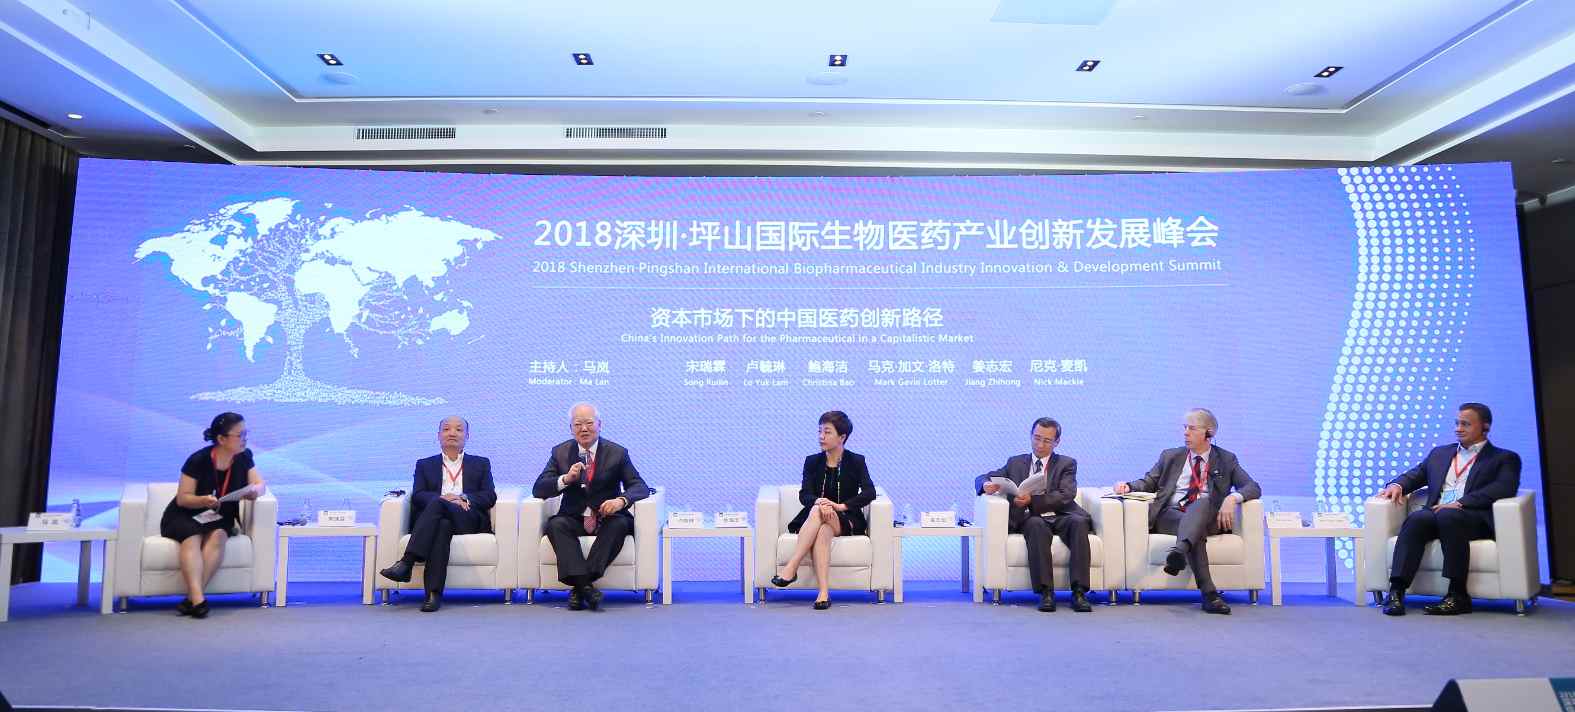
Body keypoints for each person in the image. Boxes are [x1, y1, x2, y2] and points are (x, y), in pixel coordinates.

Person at [1377, 402, 1522, 616]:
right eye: (1457, 423)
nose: (1458, 429)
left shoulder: (1504, 458)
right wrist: (1397, 485)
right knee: (1417, 519)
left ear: (1485, 427)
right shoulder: (1440, 453)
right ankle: (1396, 592)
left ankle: (1457, 595)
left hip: (1472, 518)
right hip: (1436, 514)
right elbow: (1416, 474)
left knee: (1449, 516)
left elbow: (1503, 488)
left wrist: (1462, 502)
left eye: (1466, 424)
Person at [1113, 408, 1261, 614]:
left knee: (1202, 504)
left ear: (1208, 433)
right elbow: (1148, 482)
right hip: (1170, 515)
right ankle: (1209, 595)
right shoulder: (1170, 456)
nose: (1185, 433)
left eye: (1192, 428)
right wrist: (1127, 486)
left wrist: (1232, 498)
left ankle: (1180, 551)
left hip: (1208, 518)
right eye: (1184, 428)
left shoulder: (1226, 459)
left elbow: (1253, 487)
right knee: (1194, 531)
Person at [533, 403, 650, 611]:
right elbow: (538, 489)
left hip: (607, 517)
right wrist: (565, 479)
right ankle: (586, 588)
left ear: (599, 425)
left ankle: (580, 588)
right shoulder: (560, 452)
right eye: (578, 424)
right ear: (571, 428)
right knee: (556, 525)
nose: (584, 429)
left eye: (589, 423)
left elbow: (639, 486)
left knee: (619, 524)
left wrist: (620, 501)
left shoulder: (617, 453)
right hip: (574, 517)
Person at [378, 416, 498, 613]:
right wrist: (444, 499)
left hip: (467, 517)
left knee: (439, 505)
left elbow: (489, 495)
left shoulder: (481, 463)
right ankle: (433, 595)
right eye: (447, 429)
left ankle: (407, 562)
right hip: (437, 519)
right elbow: (418, 495)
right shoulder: (424, 464)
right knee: (442, 525)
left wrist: (463, 498)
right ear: (439, 435)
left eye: (459, 429)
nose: (452, 433)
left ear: (467, 436)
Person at [974, 417, 1093, 612]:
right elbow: (983, 477)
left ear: (1056, 442)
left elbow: (1066, 494)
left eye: (1047, 441)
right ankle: (1046, 593)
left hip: (1061, 514)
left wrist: (1033, 500)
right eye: (1036, 438)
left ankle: (1079, 593)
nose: (1040, 445)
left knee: (1079, 523)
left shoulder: (1066, 463)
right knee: (1036, 525)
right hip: (1031, 517)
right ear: (1030, 436)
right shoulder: (1015, 463)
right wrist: (985, 484)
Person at [160, 412, 266, 618]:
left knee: (218, 535)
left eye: (246, 433)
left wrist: (255, 491)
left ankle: (192, 598)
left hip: (219, 515)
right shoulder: (198, 460)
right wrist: (203, 500)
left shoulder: (244, 456)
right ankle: (198, 601)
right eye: (240, 435)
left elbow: (260, 484)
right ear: (221, 439)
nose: (245, 439)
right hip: (186, 513)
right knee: (192, 537)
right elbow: (183, 498)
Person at [771, 411, 877, 610]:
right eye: (819, 431)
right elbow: (805, 495)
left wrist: (840, 506)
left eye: (827, 432)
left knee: (818, 511)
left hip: (845, 517)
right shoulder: (812, 462)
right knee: (822, 529)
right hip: (818, 517)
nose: (821, 436)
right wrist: (820, 502)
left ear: (842, 437)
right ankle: (823, 593)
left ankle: (792, 567)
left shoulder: (856, 461)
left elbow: (870, 492)